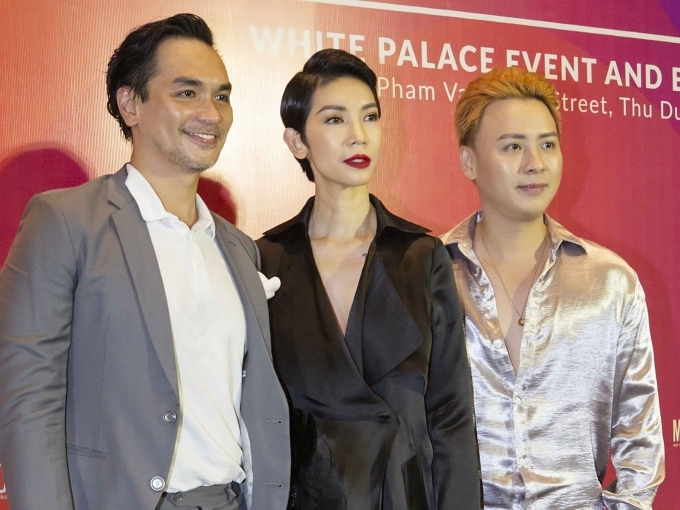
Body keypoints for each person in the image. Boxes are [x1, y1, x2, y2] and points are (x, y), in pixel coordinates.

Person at [0, 13, 289, 510]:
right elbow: (29, 399)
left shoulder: (239, 249)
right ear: (130, 103)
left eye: (222, 96)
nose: (212, 113)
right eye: (187, 92)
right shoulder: (67, 222)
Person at [256, 49, 481, 510]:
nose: (359, 135)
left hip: (401, 496)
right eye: (335, 119)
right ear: (297, 141)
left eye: (370, 116)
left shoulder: (420, 257)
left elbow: (451, 414)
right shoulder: (266, 259)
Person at [440, 66, 665, 509]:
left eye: (547, 144)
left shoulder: (609, 282)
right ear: (468, 161)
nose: (535, 163)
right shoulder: (428, 276)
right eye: (512, 146)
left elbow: (640, 442)